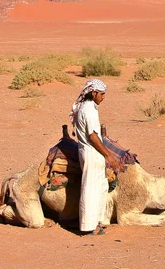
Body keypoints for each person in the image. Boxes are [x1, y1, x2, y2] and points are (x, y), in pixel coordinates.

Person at [70, 79, 121, 235]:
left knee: (100, 187)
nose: (103, 97)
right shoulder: (88, 110)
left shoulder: (86, 107)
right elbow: (92, 136)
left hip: (92, 152)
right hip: (91, 153)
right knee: (90, 189)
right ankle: (87, 227)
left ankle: (98, 223)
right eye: (102, 94)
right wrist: (109, 155)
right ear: (93, 93)